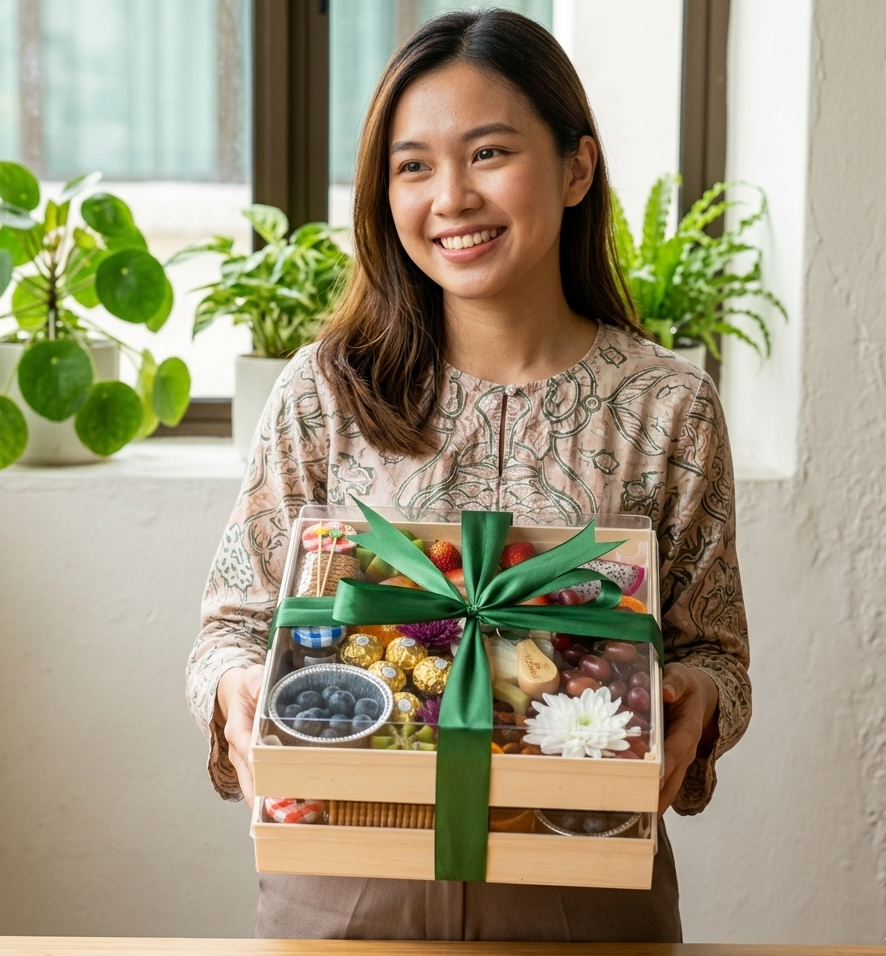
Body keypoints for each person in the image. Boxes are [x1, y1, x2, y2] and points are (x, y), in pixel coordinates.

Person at [187, 8, 749, 942]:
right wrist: (235, 687)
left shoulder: (668, 406)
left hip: (586, 893)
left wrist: (698, 698)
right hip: (345, 893)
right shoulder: (325, 392)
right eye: (414, 165)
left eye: (488, 153)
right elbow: (235, 624)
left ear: (576, 168)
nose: (450, 197)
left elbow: (716, 646)